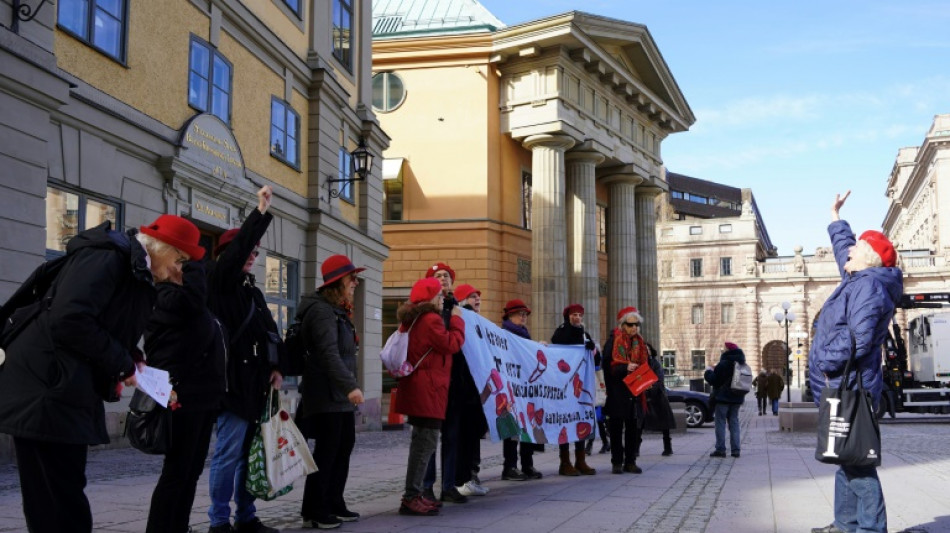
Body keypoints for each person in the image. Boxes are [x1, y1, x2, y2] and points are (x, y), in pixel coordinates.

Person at [0, 214, 203, 533]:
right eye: (180, 259)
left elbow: (105, 326)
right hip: (44, 389)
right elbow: (70, 318)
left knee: (60, 496)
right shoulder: (108, 257)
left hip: (63, 388)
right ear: (160, 247)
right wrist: (121, 363)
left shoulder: (134, 271)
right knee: (56, 501)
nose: (181, 270)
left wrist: (133, 358)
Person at [809, 191, 901, 533]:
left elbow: (860, 340)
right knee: (844, 456)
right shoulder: (861, 279)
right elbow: (843, 246)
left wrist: (823, 362)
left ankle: (870, 528)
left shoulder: (867, 288)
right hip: (843, 384)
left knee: (858, 461)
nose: (848, 252)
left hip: (851, 385)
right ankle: (845, 524)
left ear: (868, 260)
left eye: (856, 250)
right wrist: (835, 216)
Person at [206, 186, 283, 533]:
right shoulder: (218, 284)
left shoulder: (252, 290)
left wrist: (279, 366)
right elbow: (236, 252)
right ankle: (219, 521)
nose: (251, 255)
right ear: (226, 255)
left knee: (248, 457)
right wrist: (260, 213)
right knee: (227, 455)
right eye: (245, 251)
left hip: (256, 386)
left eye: (255, 252)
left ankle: (246, 516)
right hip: (232, 386)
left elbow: (270, 333)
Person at [144, 252, 227, 533]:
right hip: (182, 396)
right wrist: (194, 263)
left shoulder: (187, 301)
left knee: (190, 471)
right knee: (177, 471)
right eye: (181, 264)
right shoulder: (165, 297)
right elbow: (193, 301)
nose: (188, 272)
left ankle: (178, 526)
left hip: (202, 397)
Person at [296, 255, 365, 529]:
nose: (355, 283)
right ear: (337, 283)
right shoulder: (322, 312)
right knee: (327, 452)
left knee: (343, 446)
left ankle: (334, 502)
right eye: (352, 278)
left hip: (338, 395)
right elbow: (328, 354)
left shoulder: (337, 310)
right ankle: (316, 509)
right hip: (326, 394)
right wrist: (350, 386)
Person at [393, 278, 465, 516]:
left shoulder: (413, 319)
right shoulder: (431, 319)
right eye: (438, 295)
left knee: (421, 443)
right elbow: (451, 343)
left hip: (420, 387)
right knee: (425, 444)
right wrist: (456, 320)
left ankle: (414, 494)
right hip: (429, 389)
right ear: (430, 297)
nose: (442, 298)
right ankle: (412, 496)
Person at [420, 262, 469, 504]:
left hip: (454, 383)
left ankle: (448, 486)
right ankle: (426, 487)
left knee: (452, 437)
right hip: (433, 383)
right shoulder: (427, 310)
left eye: (447, 276)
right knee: (430, 438)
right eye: (438, 276)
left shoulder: (458, 308)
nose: (443, 279)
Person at [550, 303, 599, 476]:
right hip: (565, 386)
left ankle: (580, 460)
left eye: (580, 315)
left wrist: (592, 348)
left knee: (580, 420)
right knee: (565, 420)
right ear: (568, 316)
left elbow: (596, 360)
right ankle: (564, 462)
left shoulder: (585, 335)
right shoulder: (561, 332)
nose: (577, 318)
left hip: (580, 385)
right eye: (574, 315)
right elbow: (556, 347)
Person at [452, 283, 490, 498]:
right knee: (465, 437)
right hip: (464, 390)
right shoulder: (463, 319)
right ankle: (462, 478)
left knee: (473, 435)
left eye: (478, 296)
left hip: (476, 391)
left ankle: (470, 476)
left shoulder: (479, 323)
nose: (477, 299)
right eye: (472, 296)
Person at [603, 306, 650, 474]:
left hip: (635, 392)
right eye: (630, 325)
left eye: (636, 324)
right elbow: (607, 367)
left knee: (633, 430)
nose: (634, 328)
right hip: (618, 392)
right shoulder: (614, 341)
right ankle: (617, 462)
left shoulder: (640, 342)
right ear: (623, 325)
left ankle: (630, 461)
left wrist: (647, 378)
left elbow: (646, 363)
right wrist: (624, 367)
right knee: (616, 429)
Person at [499, 299, 542, 480]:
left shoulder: (524, 334)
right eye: (520, 314)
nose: (524, 317)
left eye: (525, 314)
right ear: (510, 315)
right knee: (512, 429)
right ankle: (509, 467)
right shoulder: (504, 334)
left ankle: (527, 464)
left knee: (527, 427)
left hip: (525, 387)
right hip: (511, 388)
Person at [705, 342, 748, 458]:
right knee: (734, 423)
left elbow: (715, 380)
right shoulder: (742, 363)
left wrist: (708, 372)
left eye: (724, 348)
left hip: (723, 398)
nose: (722, 350)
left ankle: (720, 449)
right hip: (737, 397)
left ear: (728, 350)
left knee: (720, 423)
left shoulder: (724, 364)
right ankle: (736, 450)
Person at [644, 344, 676, 457]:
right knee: (638, 424)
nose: (646, 352)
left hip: (657, 396)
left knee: (664, 423)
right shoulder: (639, 364)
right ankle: (635, 448)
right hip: (643, 396)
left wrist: (650, 389)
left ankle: (668, 447)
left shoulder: (656, 364)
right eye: (643, 350)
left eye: (647, 349)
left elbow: (659, 379)